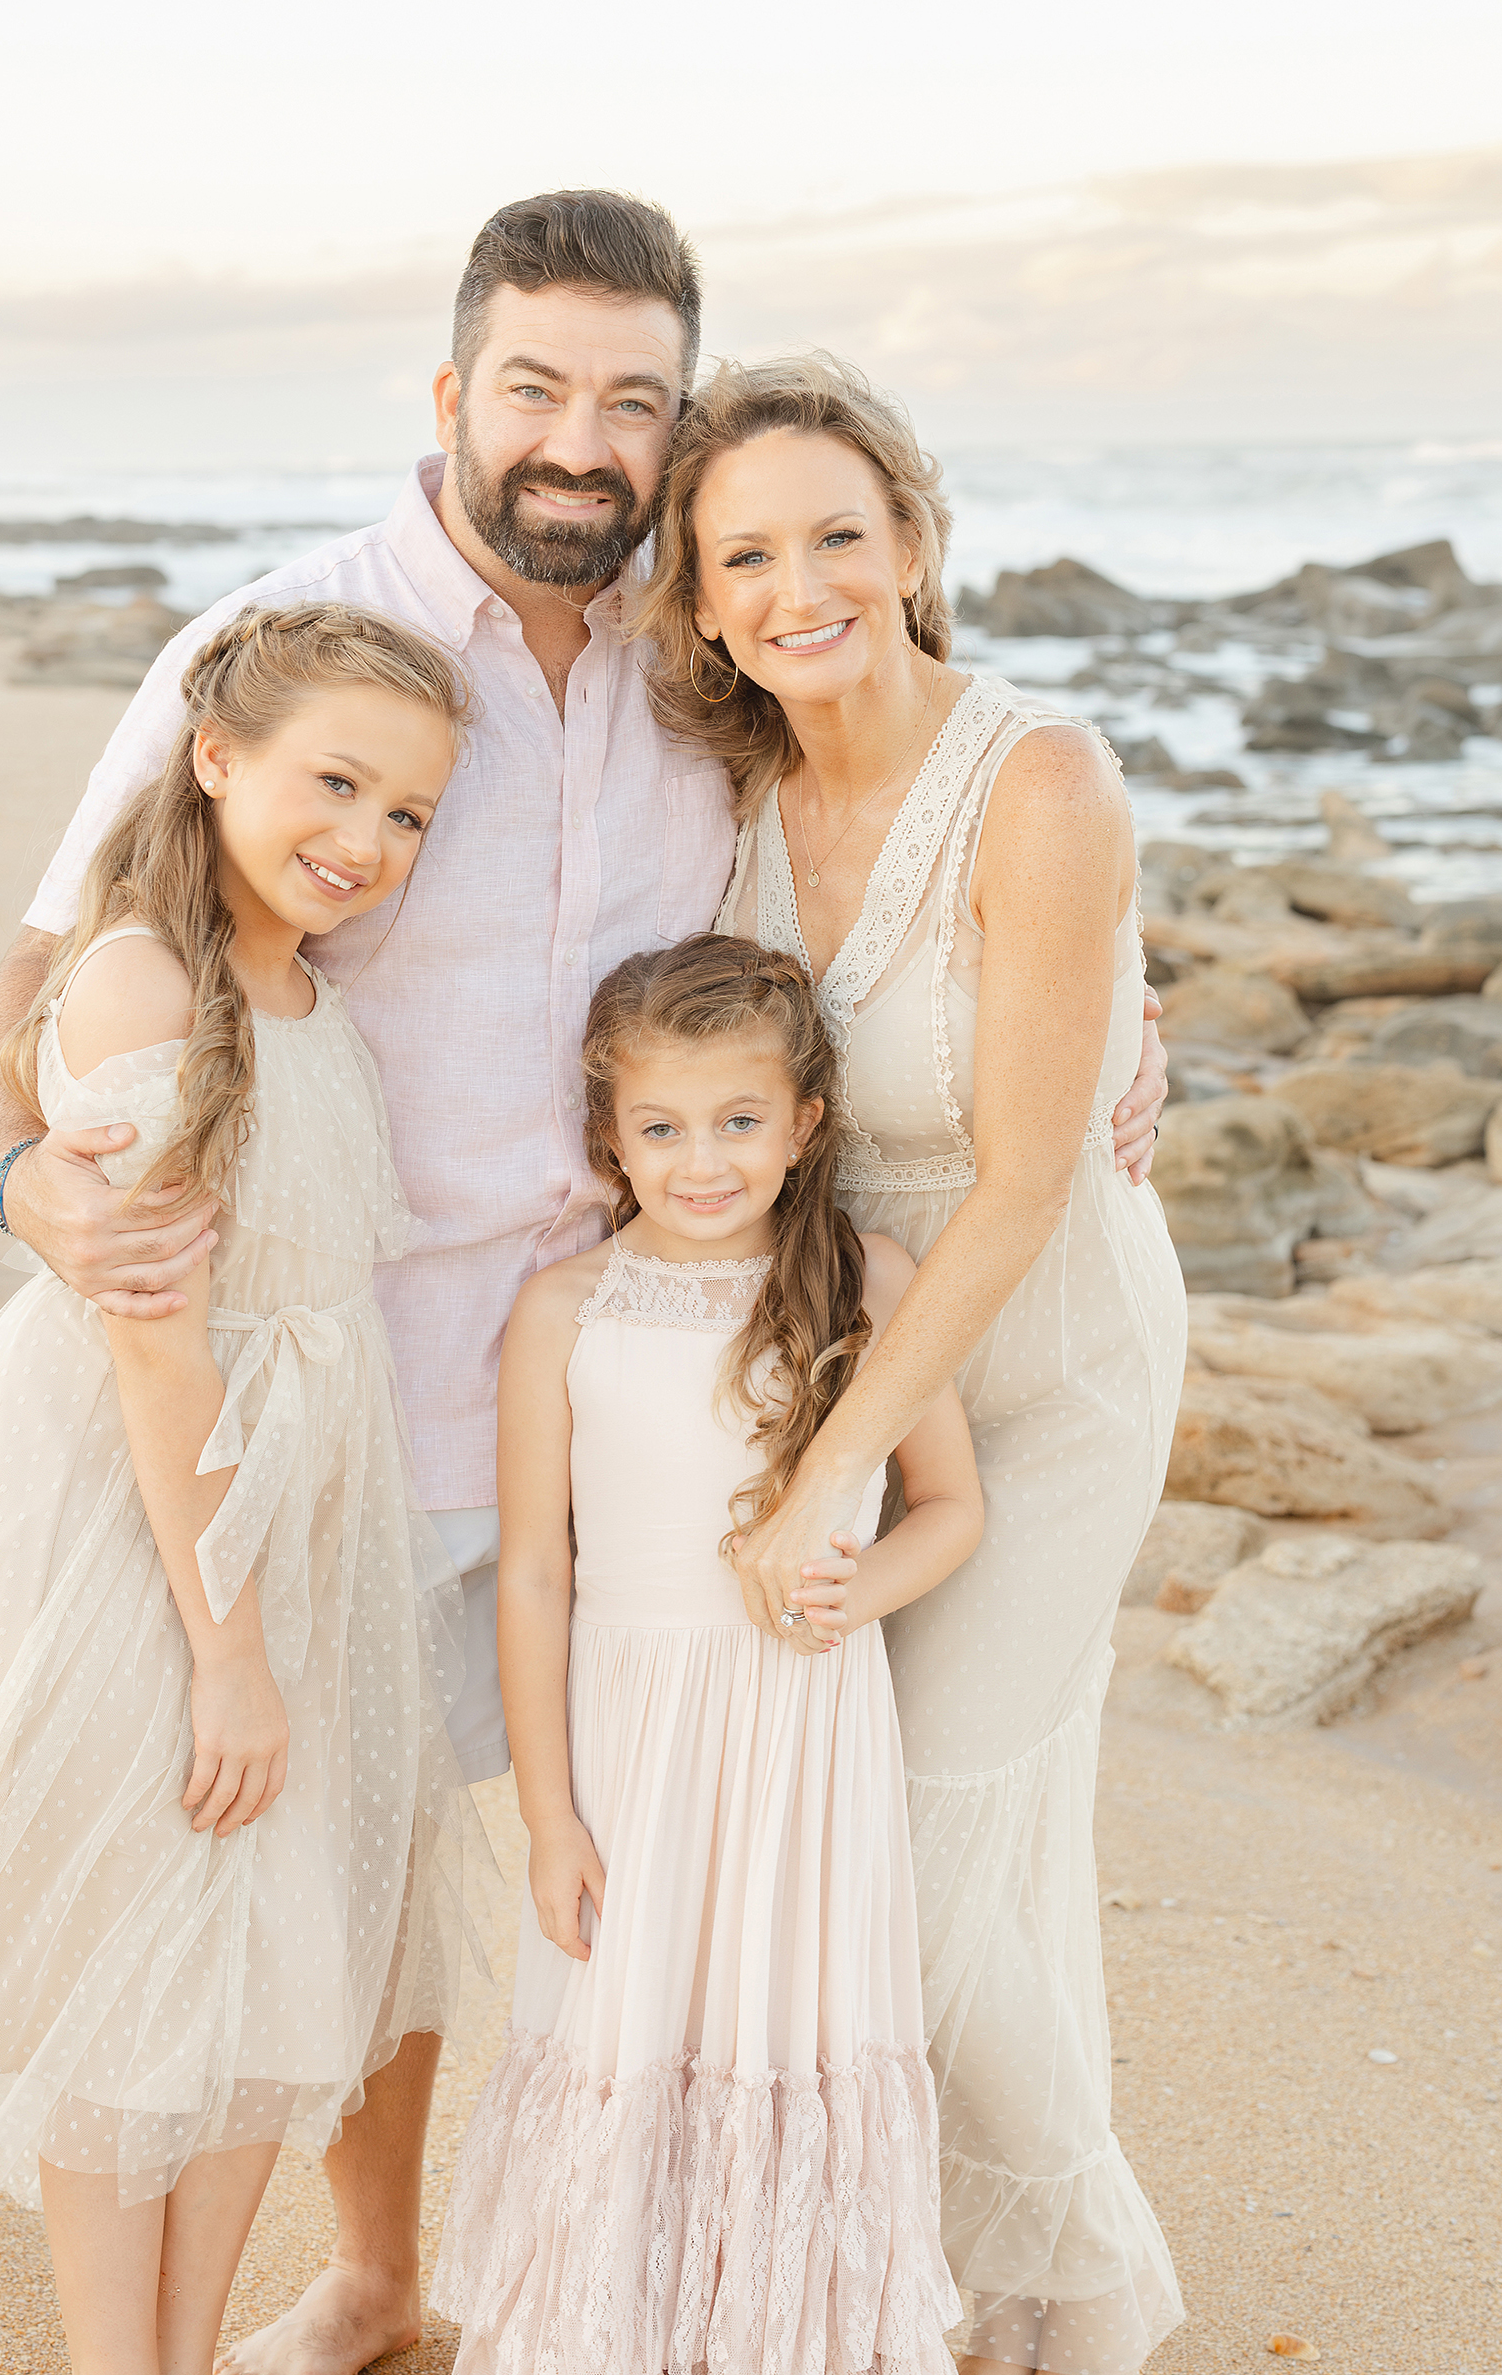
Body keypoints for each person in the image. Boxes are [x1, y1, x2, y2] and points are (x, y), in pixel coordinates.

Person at [0, 190, 1169, 2374]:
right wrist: (19, 1178)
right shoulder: (290, 642)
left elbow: (906, 913)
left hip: (664, 1370)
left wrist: (1117, 1022)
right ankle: (382, 2279)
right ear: (451, 394)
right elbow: (55, 964)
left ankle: (839, 2281)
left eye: (632, 400)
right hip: (341, 1359)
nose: (580, 440)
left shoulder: (696, 674)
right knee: (325, 1869)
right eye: (534, 386)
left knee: (741, 1843)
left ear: (680, 423)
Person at [0, 604, 481, 2375]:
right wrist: (227, 1646)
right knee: (137, 1954)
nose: (364, 841)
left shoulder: (311, 987)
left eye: (410, 812)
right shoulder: (143, 980)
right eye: (333, 783)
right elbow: (155, 1345)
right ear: (216, 759)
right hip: (139, 1515)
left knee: (266, 1958)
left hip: (298, 1501)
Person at [636, 353, 1189, 2375]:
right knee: (863, 1860)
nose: (801, 586)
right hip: (851, 1390)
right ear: (696, 602)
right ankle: (980, 2282)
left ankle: (1101, 2274)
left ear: (917, 547)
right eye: (747, 553)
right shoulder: (728, 809)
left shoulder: (1039, 777)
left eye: (837, 537)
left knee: (930, 1871)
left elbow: (1029, 1175)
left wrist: (830, 1464)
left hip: (1042, 1386)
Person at [434, 936, 981, 2374]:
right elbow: (538, 1574)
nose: (701, 1162)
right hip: (629, 1736)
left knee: (782, 2026)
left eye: (740, 1122)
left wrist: (858, 1597)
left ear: (806, 1125)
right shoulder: (565, 1309)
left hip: (804, 1724)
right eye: (661, 1128)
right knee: (630, 2017)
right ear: (608, 1134)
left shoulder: (871, 1277)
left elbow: (952, 1509)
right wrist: (549, 1815)